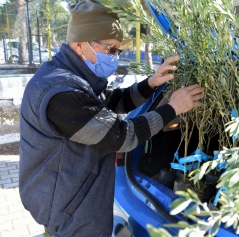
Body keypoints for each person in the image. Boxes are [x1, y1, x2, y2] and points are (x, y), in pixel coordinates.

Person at [18, 0, 204, 236]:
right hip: (70, 210)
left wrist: (151, 84)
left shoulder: (76, 78)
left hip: (76, 197)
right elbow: (122, 136)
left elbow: (115, 101)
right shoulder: (61, 92)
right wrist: (173, 108)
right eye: (110, 50)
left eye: (119, 50)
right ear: (79, 45)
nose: (116, 57)